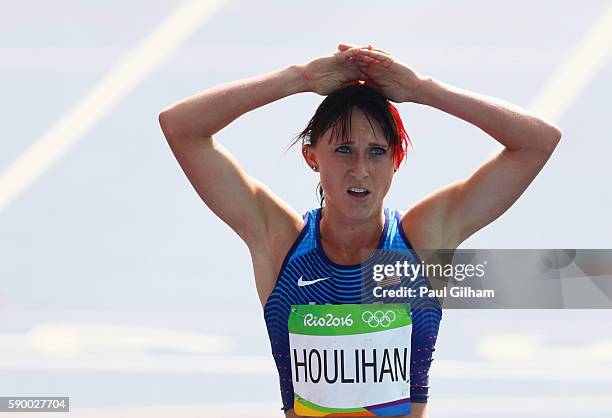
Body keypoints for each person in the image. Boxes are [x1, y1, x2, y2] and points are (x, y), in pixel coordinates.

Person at [158, 43, 562, 418]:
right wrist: (300, 78)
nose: (360, 170)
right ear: (312, 157)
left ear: (396, 159)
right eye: (343, 150)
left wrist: (421, 88)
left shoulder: (423, 240)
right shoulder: (280, 242)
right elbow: (180, 126)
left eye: (376, 152)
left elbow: (537, 141)